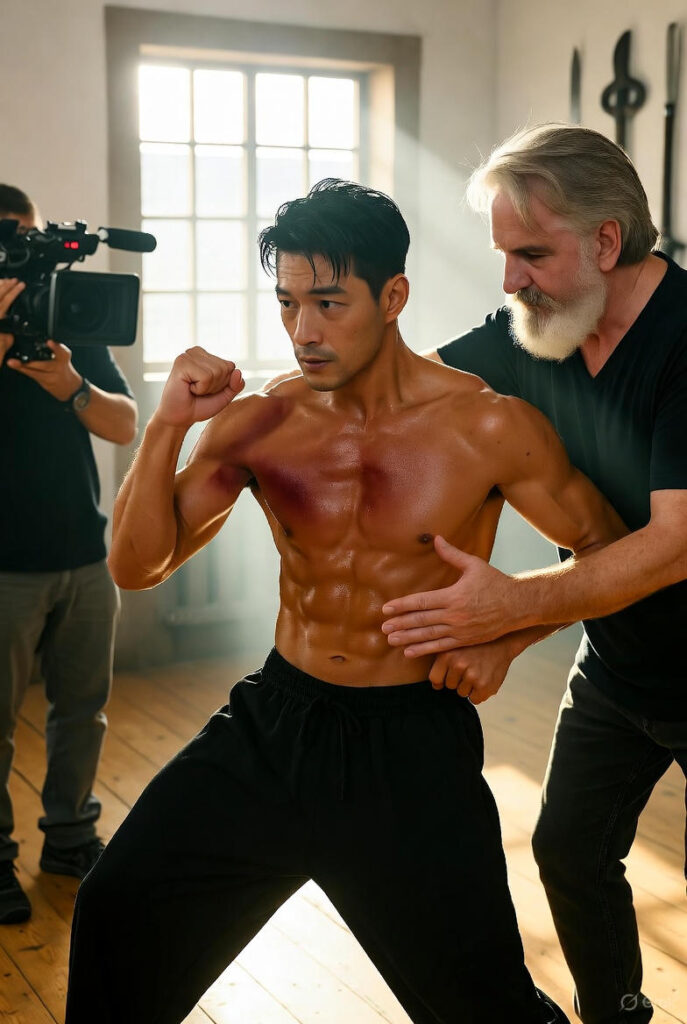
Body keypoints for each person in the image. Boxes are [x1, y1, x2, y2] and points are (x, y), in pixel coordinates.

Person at [65, 179, 626, 1024]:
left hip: (410, 747)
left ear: (393, 296)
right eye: (288, 302)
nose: (303, 331)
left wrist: (507, 633)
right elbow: (137, 566)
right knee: (117, 913)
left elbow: (606, 550)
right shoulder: (261, 422)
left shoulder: (487, 426)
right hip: (274, 728)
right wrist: (165, 427)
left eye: (329, 302)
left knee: (482, 1005)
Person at [381, 126, 687, 1023]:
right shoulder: (538, 329)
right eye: (503, 256)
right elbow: (403, 384)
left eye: (530, 254)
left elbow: (672, 543)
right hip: (619, 663)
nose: (509, 279)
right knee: (568, 851)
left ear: (604, 240)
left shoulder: (683, 342)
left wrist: (511, 610)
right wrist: (265, 393)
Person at [0, 184, 137, 924]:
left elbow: (122, 425)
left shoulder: (68, 325)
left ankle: (70, 839)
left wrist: (68, 382)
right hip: (1, 569)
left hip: (83, 555)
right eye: (5, 244)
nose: (20, 258)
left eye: (29, 241)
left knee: (81, 711)